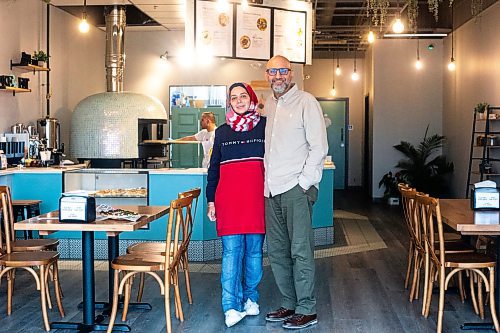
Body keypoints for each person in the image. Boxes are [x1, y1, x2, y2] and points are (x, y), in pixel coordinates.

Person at [263, 55, 328, 329]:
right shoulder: (269, 104)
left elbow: (319, 147)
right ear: (267, 75)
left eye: (282, 71)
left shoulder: (307, 102)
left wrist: (304, 183)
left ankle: (306, 308)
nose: (277, 76)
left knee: (300, 250)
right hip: (270, 190)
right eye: (272, 71)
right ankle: (289, 303)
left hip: (295, 189)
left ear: (291, 74)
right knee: (277, 251)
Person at [206, 82, 266, 328]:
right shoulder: (221, 132)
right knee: (232, 254)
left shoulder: (265, 126)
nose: (239, 101)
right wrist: (211, 200)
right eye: (234, 97)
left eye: (243, 96)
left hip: (257, 199)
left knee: (254, 252)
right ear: (228, 102)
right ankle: (230, 306)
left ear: (251, 98)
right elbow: (213, 169)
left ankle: (251, 298)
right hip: (228, 201)